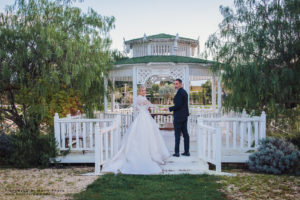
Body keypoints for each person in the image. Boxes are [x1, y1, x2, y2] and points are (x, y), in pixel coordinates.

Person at [102, 85, 170, 174]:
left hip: (144, 116)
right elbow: (150, 105)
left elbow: (142, 107)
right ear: (139, 91)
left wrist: (148, 107)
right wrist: (161, 108)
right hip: (143, 117)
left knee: (149, 135)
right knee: (142, 135)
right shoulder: (140, 98)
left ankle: (152, 153)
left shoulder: (141, 98)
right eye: (142, 90)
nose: (144, 92)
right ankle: (145, 154)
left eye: (145, 90)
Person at [163, 79, 190, 157]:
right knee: (185, 134)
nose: (175, 85)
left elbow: (178, 105)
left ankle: (177, 152)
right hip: (184, 116)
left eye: (177, 84)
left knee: (177, 134)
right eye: (174, 84)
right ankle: (187, 151)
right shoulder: (183, 92)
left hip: (179, 117)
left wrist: (168, 109)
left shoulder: (180, 93)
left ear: (181, 84)